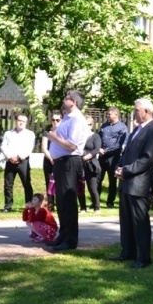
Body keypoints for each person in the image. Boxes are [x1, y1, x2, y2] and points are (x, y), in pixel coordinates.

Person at [110, 98, 153, 268]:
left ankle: (143, 257)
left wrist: (127, 170)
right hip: (126, 182)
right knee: (126, 220)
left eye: (136, 109)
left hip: (139, 183)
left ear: (146, 111)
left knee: (140, 221)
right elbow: (127, 153)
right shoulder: (137, 130)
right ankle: (127, 252)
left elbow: (147, 158)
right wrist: (120, 167)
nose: (134, 112)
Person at [46, 90, 89, 251]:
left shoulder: (77, 120)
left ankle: (70, 240)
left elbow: (72, 145)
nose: (64, 100)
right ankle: (63, 235)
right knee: (61, 201)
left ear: (74, 102)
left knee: (68, 202)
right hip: (60, 163)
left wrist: (53, 138)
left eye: (67, 98)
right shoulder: (67, 118)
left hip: (69, 162)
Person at [1, 114, 35, 212]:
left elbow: (29, 148)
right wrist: (9, 156)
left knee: (26, 184)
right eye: (19, 120)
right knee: (8, 185)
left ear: (26, 122)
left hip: (23, 162)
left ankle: (29, 205)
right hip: (10, 161)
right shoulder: (8, 133)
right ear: (16, 120)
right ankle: (8, 206)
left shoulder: (30, 134)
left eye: (23, 121)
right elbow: (3, 146)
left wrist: (19, 157)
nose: (21, 123)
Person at [98, 107, 128, 209]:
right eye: (107, 114)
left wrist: (105, 150)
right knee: (98, 178)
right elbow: (98, 138)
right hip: (102, 157)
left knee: (112, 181)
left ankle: (110, 202)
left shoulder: (122, 127)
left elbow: (119, 144)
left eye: (109, 114)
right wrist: (98, 148)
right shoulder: (104, 126)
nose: (107, 116)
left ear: (116, 114)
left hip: (113, 157)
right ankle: (96, 201)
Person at [78, 116, 102, 213]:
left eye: (88, 124)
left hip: (91, 164)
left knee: (92, 187)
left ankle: (96, 207)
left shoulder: (95, 136)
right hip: (79, 164)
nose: (86, 126)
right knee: (80, 186)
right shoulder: (79, 136)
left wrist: (87, 156)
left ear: (91, 125)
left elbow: (96, 149)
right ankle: (83, 207)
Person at [41, 112, 62, 212]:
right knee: (49, 183)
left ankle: (60, 204)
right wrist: (51, 158)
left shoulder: (63, 131)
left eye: (57, 120)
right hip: (49, 160)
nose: (55, 122)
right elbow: (44, 148)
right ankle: (50, 206)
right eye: (53, 120)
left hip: (60, 160)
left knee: (60, 183)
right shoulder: (47, 131)